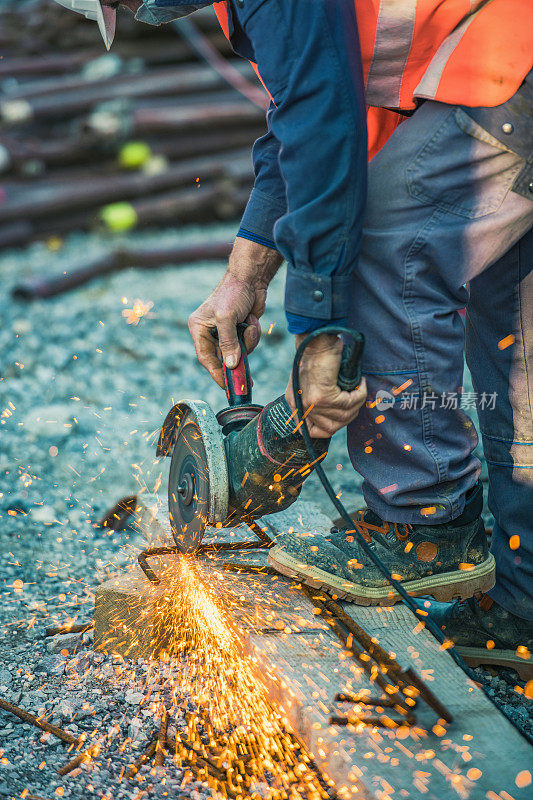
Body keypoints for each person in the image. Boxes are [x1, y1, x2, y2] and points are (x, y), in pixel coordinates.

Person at [53, 0, 533, 674]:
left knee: (382, 243)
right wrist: (243, 274)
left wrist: (321, 329)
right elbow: (311, 119)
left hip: (513, 60)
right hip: (511, 60)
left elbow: (321, 118)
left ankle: (423, 523)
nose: (141, 11)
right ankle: (525, 599)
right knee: (515, 319)